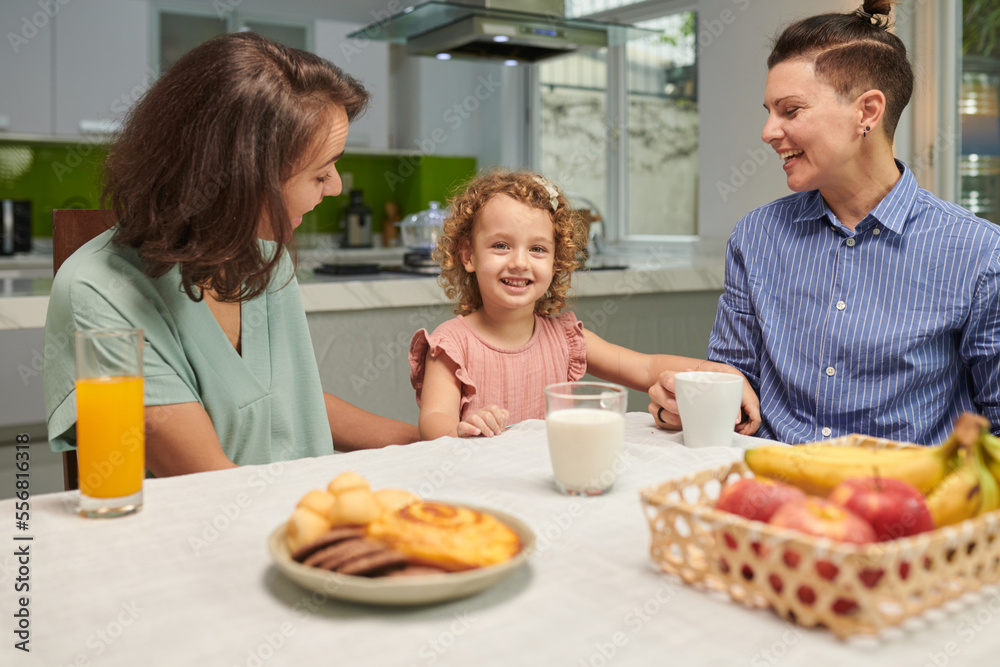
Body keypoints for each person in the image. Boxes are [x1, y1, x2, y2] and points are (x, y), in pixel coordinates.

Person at [42, 33, 418, 476]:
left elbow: (282, 403)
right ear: (243, 179)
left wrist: (426, 439)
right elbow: (210, 480)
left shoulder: (261, 254)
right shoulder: (100, 292)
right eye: (321, 172)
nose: (335, 187)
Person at [649, 0, 1000, 445]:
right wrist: (690, 401)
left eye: (790, 110)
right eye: (768, 111)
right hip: (770, 494)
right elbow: (733, 386)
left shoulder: (980, 253)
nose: (768, 132)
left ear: (867, 112)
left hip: (903, 505)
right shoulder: (756, 237)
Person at [408, 169, 761, 439]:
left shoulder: (565, 338)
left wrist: (712, 371)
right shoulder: (450, 345)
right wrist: (462, 429)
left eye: (537, 249)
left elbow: (645, 367)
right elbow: (433, 423)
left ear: (556, 261)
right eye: (501, 245)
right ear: (468, 256)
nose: (519, 262)